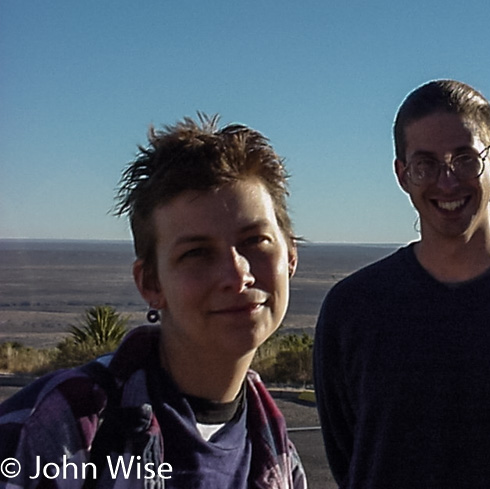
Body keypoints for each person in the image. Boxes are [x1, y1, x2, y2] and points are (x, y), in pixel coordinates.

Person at [313, 79, 490, 489]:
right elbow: (350, 461)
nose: (447, 182)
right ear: (402, 175)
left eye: (465, 159)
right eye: (425, 164)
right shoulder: (353, 309)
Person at [0, 115, 306, 488]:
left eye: (255, 241)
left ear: (290, 257)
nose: (236, 274)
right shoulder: (63, 425)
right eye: (196, 253)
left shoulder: (276, 451)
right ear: (151, 283)